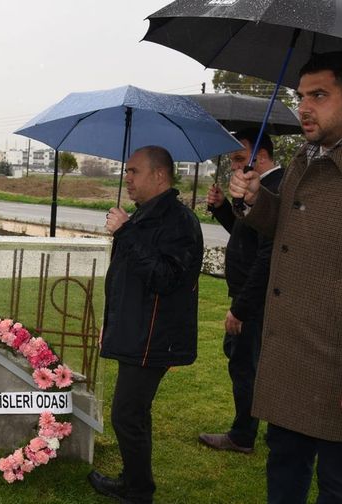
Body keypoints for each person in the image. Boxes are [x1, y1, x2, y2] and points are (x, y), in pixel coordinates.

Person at [230, 51, 342, 504]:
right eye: (301, 95)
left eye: (319, 95)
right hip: (291, 357)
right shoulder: (308, 157)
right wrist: (254, 200)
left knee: (339, 486)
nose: (304, 107)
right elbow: (288, 228)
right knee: (283, 469)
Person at [88, 146, 203, 504]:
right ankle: (133, 480)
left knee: (126, 414)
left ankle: (138, 491)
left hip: (154, 337)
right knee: (134, 412)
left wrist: (125, 233)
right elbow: (126, 281)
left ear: (159, 176)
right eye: (127, 171)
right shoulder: (145, 216)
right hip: (136, 330)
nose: (128, 178)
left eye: (134, 171)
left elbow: (166, 278)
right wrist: (113, 324)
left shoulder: (178, 222)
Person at [199, 129, 283, 454]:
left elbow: (267, 257)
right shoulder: (258, 192)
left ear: (259, 157)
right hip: (248, 294)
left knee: (246, 365)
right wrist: (223, 208)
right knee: (243, 359)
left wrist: (241, 309)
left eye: (238, 159)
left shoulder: (274, 190)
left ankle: (242, 435)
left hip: (256, 299)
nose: (234, 166)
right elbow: (244, 233)